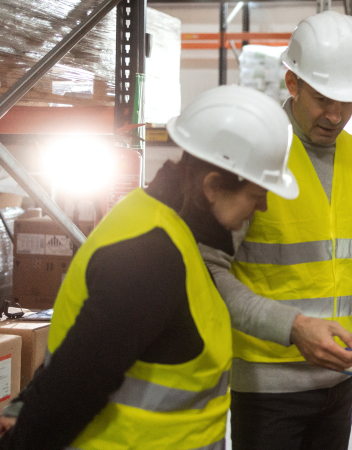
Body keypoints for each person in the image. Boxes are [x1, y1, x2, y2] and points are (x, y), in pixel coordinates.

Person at [0, 85, 298, 450]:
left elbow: (83, 355)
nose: (263, 207)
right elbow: (73, 387)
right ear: (212, 187)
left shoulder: (171, 232)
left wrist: (24, 405)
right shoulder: (149, 256)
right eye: (257, 194)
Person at [200, 11, 352, 450]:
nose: (335, 115)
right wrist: (293, 327)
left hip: (342, 378)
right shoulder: (255, 154)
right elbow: (209, 270)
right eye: (322, 98)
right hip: (267, 387)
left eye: (348, 102)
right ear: (292, 83)